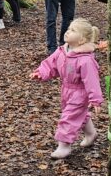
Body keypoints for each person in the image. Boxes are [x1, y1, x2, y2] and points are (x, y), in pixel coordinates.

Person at [31, 18, 104, 159]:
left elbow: (92, 81)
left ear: (82, 40)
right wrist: (40, 73)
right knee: (76, 114)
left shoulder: (86, 60)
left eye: (73, 30)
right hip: (66, 90)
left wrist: (95, 99)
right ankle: (91, 133)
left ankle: (64, 146)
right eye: (69, 28)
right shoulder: (62, 51)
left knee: (69, 117)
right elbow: (50, 63)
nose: (68, 32)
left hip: (80, 93)